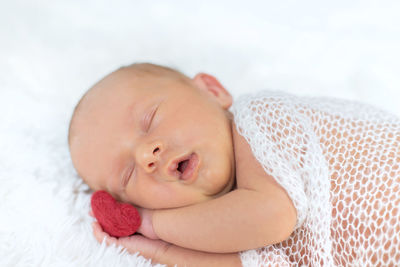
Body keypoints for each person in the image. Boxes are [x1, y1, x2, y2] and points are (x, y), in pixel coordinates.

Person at [68, 63, 400, 267]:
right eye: (128, 175)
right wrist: (155, 249)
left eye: (150, 118)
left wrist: (152, 223)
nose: (147, 155)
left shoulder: (260, 117)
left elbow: (272, 216)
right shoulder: (240, 228)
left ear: (212, 91)